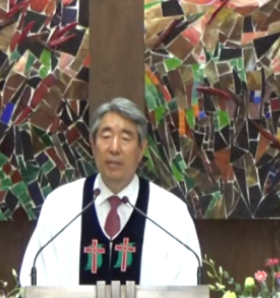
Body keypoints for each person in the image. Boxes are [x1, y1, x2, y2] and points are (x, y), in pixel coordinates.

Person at [18, 97, 201, 287]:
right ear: (92, 144)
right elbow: (33, 284)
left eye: (125, 138)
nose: (114, 148)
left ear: (141, 149)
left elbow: (187, 291)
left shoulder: (171, 216)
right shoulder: (60, 207)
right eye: (106, 136)